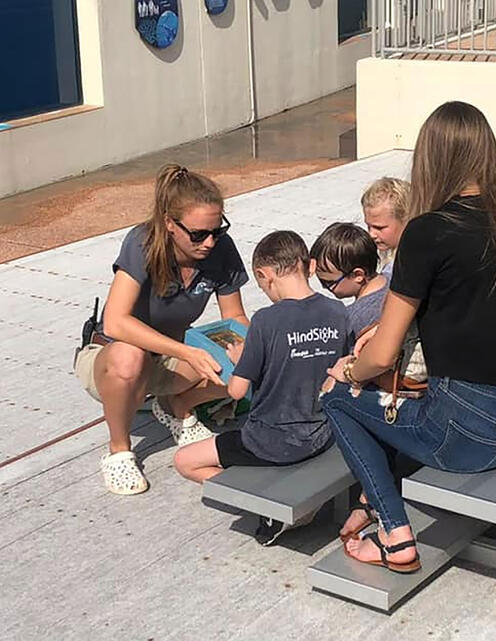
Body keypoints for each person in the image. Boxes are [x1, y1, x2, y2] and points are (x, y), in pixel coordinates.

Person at [321, 101, 496, 574]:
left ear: (430, 158)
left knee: (339, 399)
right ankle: (370, 498)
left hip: (471, 435)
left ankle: (395, 534)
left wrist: (347, 371)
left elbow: (382, 355)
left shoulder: (428, 231)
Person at [74, 164, 250, 495]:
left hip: (167, 357)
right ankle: (119, 451)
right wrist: (186, 352)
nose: (210, 242)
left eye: (218, 231)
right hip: (111, 357)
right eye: (198, 234)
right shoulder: (142, 243)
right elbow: (116, 322)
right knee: (130, 356)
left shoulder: (220, 250)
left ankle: (174, 406)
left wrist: (255, 351)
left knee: (247, 357)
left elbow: (235, 317)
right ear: (170, 224)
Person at [173, 231, 351, 544]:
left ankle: (267, 506)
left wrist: (240, 360)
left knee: (184, 461)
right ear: (307, 265)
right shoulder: (338, 312)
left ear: (264, 275)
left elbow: (237, 391)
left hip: (268, 440)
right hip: (322, 434)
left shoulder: (266, 321)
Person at [310, 222, 388, 338]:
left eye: (329, 283)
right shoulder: (394, 278)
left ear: (358, 275)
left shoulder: (353, 319)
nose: (324, 287)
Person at [361, 177, 411, 276]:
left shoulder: (402, 268)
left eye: (379, 228)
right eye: (368, 226)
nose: (371, 234)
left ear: (406, 221)